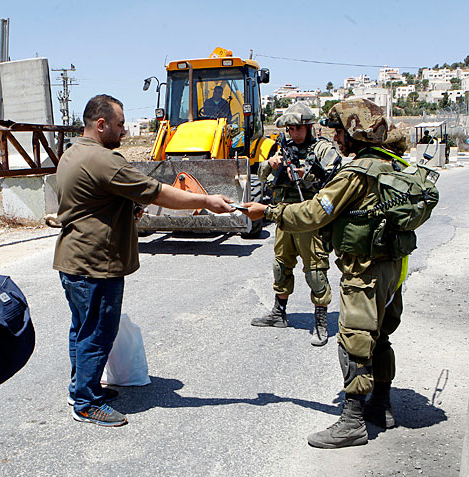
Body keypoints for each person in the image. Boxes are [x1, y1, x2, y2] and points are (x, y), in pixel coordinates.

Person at [53, 94, 234, 427]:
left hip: (74, 260)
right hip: (96, 264)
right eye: (120, 125)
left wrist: (126, 209)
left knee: (82, 328)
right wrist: (206, 200)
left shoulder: (72, 154)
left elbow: (98, 201)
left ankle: (80, 387)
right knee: (97, 332)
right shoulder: (103, 160)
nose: (124, 131)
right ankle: (86, 402)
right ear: (101, 124)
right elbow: (160, 192)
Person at [243, 98, 409, 448]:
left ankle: (352, 423)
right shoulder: (392, 163)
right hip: (394, 267)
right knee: (381, 337)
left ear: (352, 131)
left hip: (365, 271)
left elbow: (316, 213)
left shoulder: (356, 171)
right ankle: (382, 406)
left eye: (339, 130)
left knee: (355, 341)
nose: (335, 137)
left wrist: (270, 213)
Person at [253, 102, 341, 347]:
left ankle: (321, 322)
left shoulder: (322, 149)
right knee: (281, 266)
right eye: (290, 129)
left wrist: (305, 175)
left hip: (308, 218)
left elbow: (337, 176)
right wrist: (270, 165)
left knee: (315, 271)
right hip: (283, 217)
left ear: (309, 126)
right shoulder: (283, 147)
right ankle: (279, 313)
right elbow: (260, 174)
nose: (294, 133)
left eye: (298, 128)